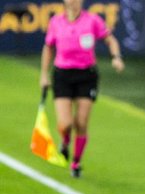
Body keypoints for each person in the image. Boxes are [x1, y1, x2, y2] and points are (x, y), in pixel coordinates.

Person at [39, 0, 125, 178]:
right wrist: (44, 74)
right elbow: (48, 47)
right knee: (65, 124)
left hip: (86, 76)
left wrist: (116, 57)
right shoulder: (56, 21)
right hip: (62, 75)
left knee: (81, 122)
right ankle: (65, 141)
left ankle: (76, 162)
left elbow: (110, 40)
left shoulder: (92, 21)